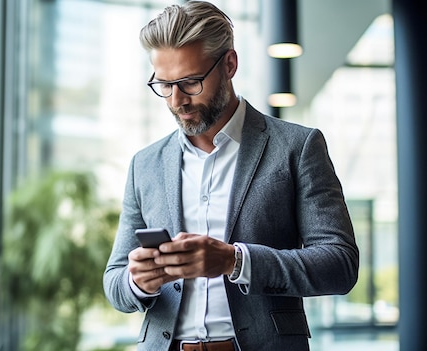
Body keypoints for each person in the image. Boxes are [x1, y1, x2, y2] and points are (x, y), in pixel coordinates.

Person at [102, 1, 360, 351]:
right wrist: (138, 282)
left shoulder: (297, 147)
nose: (177, 100)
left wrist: (234, 260)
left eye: (190, 82)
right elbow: (114, 281)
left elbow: (339, 264)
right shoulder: (145, 164)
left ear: (230, 64)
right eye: (164, 85)